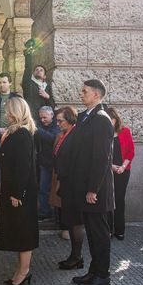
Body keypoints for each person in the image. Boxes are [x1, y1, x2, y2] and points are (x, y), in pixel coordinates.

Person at [68, 80, 114, 285]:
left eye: (85, 91)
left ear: (96, 95)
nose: (81, 93)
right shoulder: (85, 117)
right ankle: (93, 271)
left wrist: (92, 189)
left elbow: (102, 158)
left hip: (95, 189)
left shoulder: (102, 120)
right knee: (92, 233)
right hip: (84, 186)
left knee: (99, 233)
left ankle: (102, 275)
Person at [0, 97, 39, 285]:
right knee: (17, 230)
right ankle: (20, 269)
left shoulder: (22, 134)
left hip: (19, 191)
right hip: (13, 189)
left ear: (16, 112)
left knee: (23, 232)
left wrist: (17, 193)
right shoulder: (15, 132)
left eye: (8, 111)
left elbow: (24, 166)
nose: (6, 114)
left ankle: (24, 272)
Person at [51, 106, 81, 269]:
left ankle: (77, 257)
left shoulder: (75, 135)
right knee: (69, 220)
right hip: (65, 182)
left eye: (60, 120)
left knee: (75, 222)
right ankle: (74, 256)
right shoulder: (64, 134)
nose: (58, 123)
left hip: (73, 185)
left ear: (70, 119)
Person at [0, 73, 20, 209]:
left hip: (14, 135)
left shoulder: (16, 98)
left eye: (4, 82)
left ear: (10, 83)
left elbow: (21, 116)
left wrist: (10, 129)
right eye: (0, 82)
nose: (2, 85)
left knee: (12, 165)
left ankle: (13, 195)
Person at [105, 107, 135, 240]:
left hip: (123, 171)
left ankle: (120, 230)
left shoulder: (125, 131)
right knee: (107, 200)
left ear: (116, 120)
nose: (108, 122)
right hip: (106, 171)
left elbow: (130, 152)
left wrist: (122, 167)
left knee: (119, 199)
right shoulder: (103, 134)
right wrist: (110, 166)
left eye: (110, 120)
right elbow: (100, 154)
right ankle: (108, 229)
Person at [34, 106, 59, 221]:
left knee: (50, 189)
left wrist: (36, 129)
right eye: (41, 118)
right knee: (43, 189)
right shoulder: (42, 126)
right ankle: (45, 211)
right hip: (44, 162)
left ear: (52, 115)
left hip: (54, 163)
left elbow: (52, 138)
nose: (42, 120)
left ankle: (50, 212)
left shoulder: (57, 125)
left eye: (45, 117)